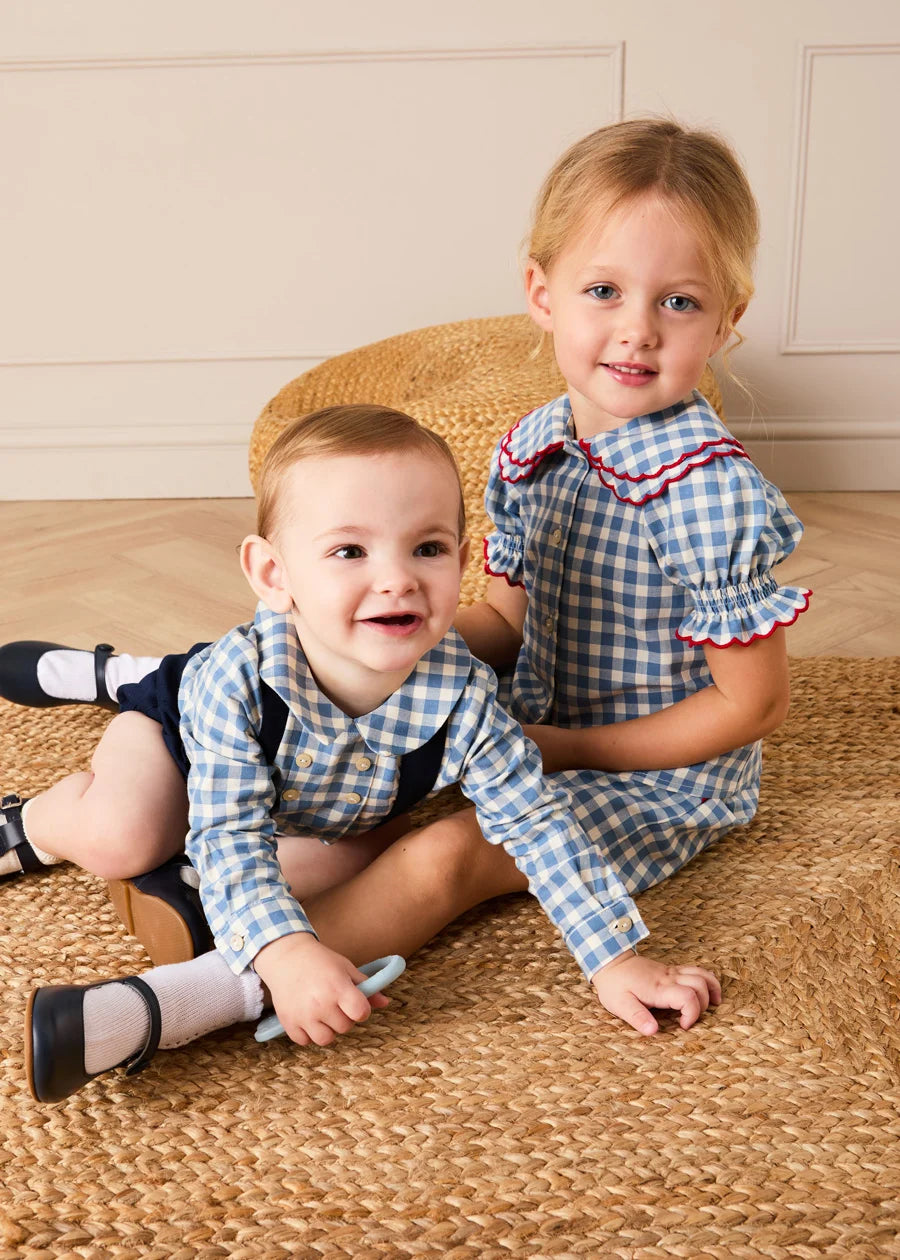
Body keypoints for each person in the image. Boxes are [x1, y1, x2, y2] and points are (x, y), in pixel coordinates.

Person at [5, 116, 810, 1093]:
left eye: (678, 302)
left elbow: (751, 707)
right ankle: (160, 745)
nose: (637, 328)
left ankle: (206, 984)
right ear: (542, 294)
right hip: (522, 728)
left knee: (449, 850)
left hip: (664, 773)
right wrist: (346, 658)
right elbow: (505, 624)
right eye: (605, 290)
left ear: (726, 317)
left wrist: (567, 752)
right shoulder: (532, 446)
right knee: (340, 792)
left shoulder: (710, 495)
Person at [20, 402, 724, 1103]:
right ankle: (34, 820)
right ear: (273, 575)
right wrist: (285, 953)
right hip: (176, 736)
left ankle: (191, 892)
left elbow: (537, 826)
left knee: (353, 872)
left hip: (322, 801)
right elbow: (233, 831)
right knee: (127, 835)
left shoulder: (465, 695)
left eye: (427, 548)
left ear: (460, 557)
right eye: (350, 551)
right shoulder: (236, 683)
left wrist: (615, 960)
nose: (398, 580)